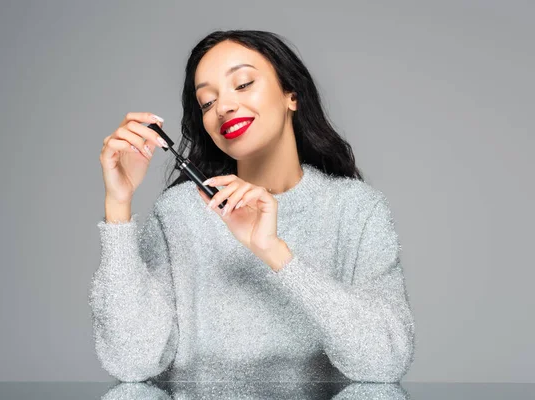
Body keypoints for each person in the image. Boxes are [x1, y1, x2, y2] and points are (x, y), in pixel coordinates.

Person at [89, 30, 416, 383]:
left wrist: (276, 254)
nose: (224, 107)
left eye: (243, 84)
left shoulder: (357, 210)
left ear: (292, 95)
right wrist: (118, 205)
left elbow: (385, 362)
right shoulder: (178, 214)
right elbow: (129, 362)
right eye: (207, 103)